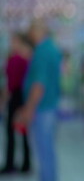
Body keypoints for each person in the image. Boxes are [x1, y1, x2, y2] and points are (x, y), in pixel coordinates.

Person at [15, 20, 62, 181]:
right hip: (50, 106)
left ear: (37, 31)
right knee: (47, 151)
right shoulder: (52, 49)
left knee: (43, 152)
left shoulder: (42, 51)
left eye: (31, 31)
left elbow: (38, 85)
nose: (29, 35)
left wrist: (28, 109)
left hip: (42, 108)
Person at [0, 33, 32, 174]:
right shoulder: (26, 60)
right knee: (23, 130)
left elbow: (11, 84)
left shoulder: (14, 59)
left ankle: (10, 163)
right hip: (23, 97)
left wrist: (3, 101)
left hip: (15, 97)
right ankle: (26, 164)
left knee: (10, 131)